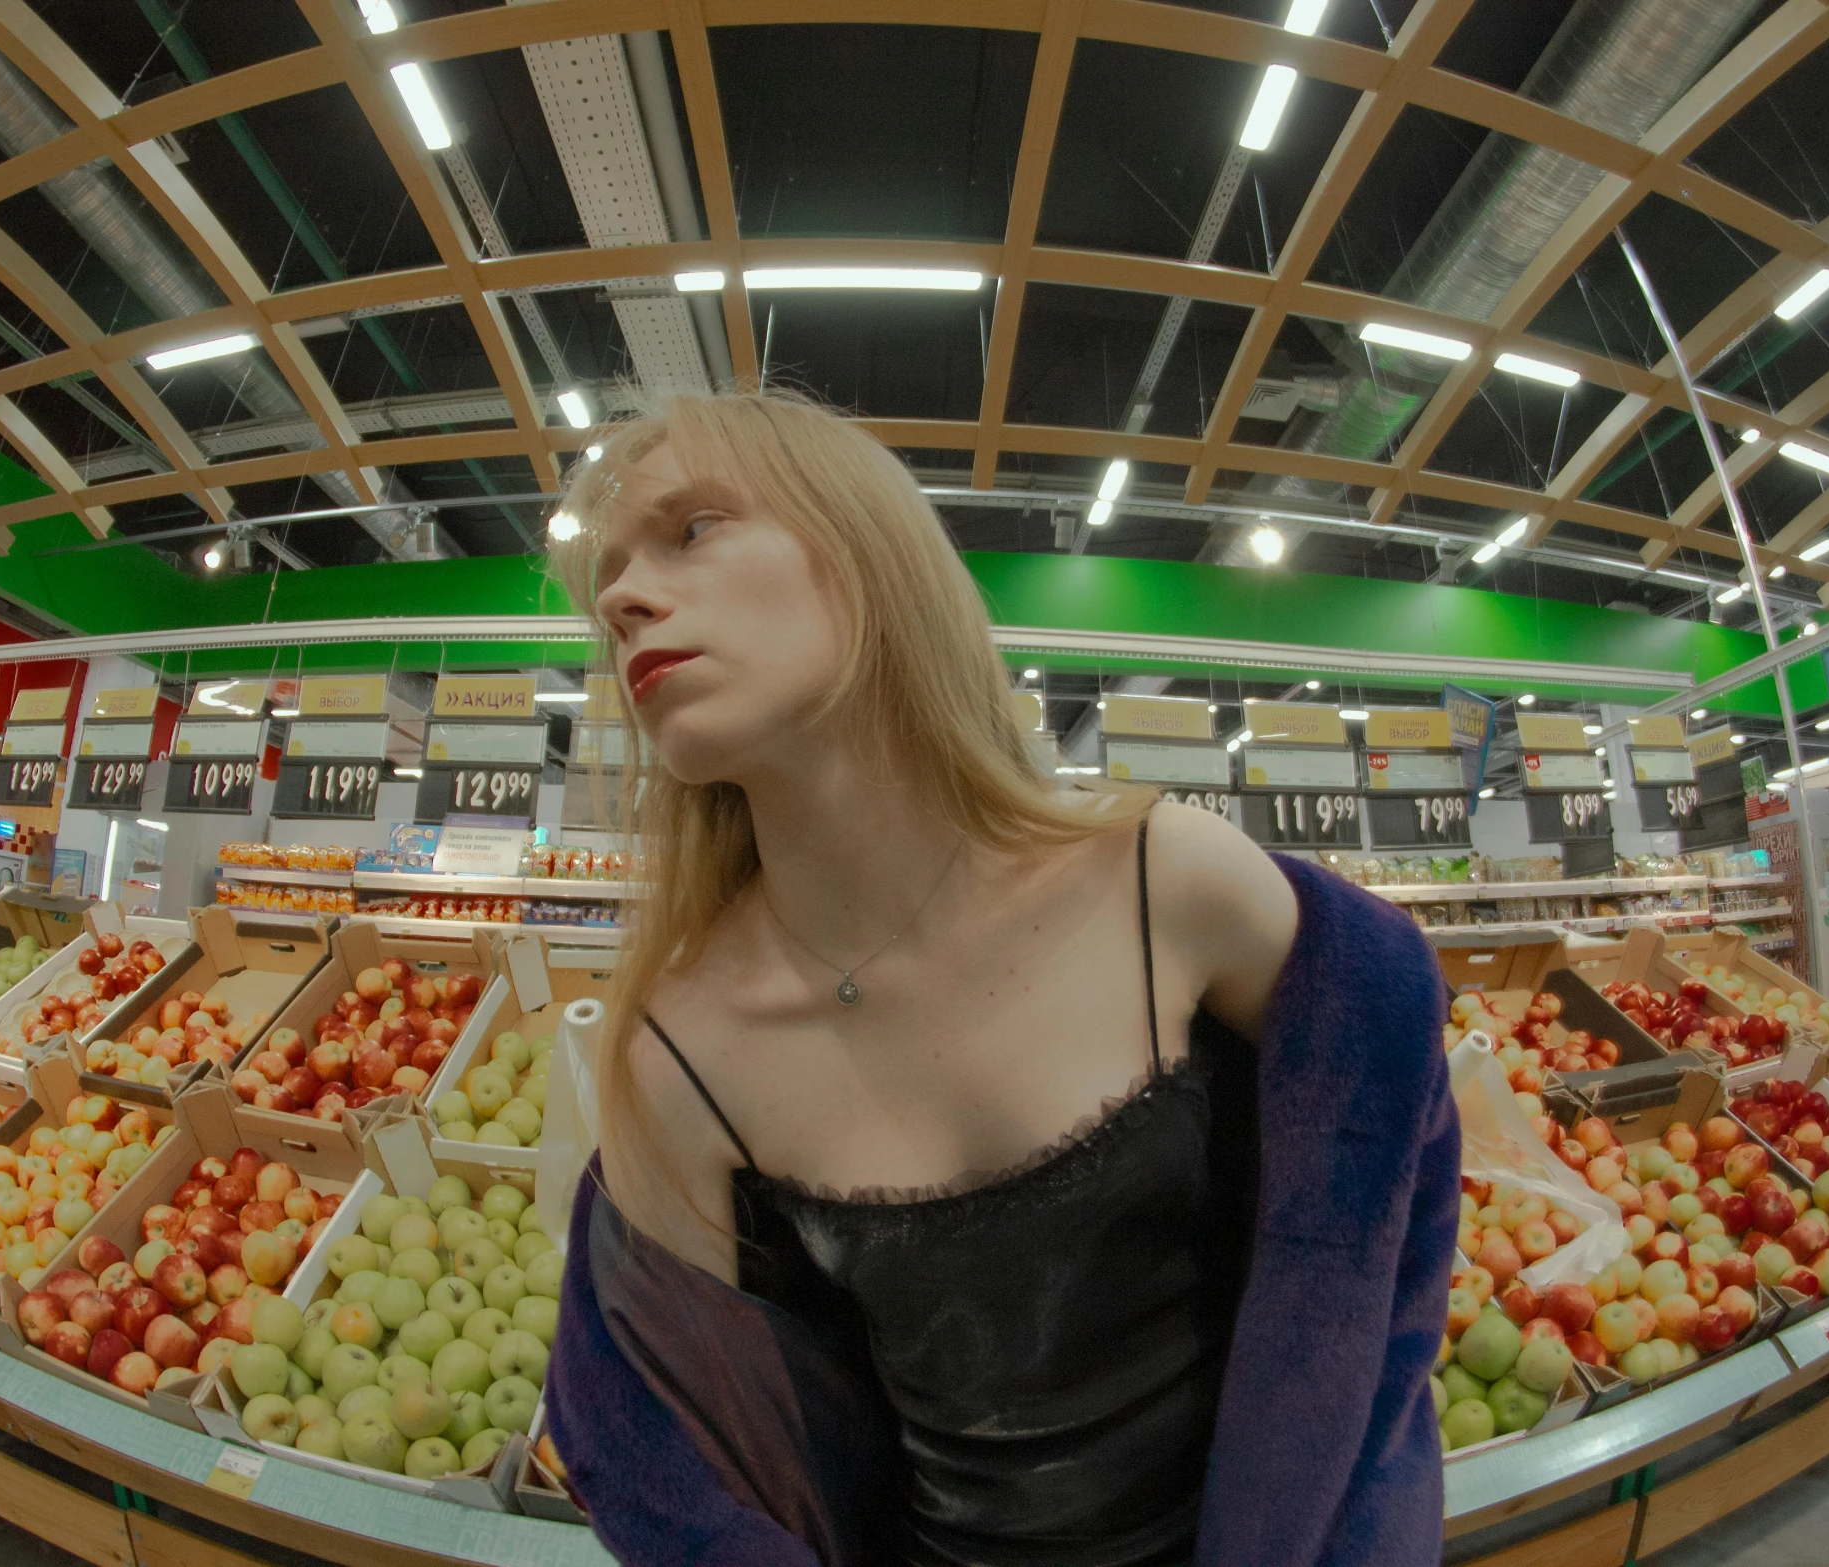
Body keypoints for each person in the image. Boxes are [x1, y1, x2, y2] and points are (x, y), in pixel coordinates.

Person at [542, 391, 1458, 1566]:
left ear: (866, 553)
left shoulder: (1162, 884)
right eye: (607, 578)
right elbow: (676, 1453)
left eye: (692, 527)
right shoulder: (675, 1060)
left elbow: (1379, 1164)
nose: (619, 598)